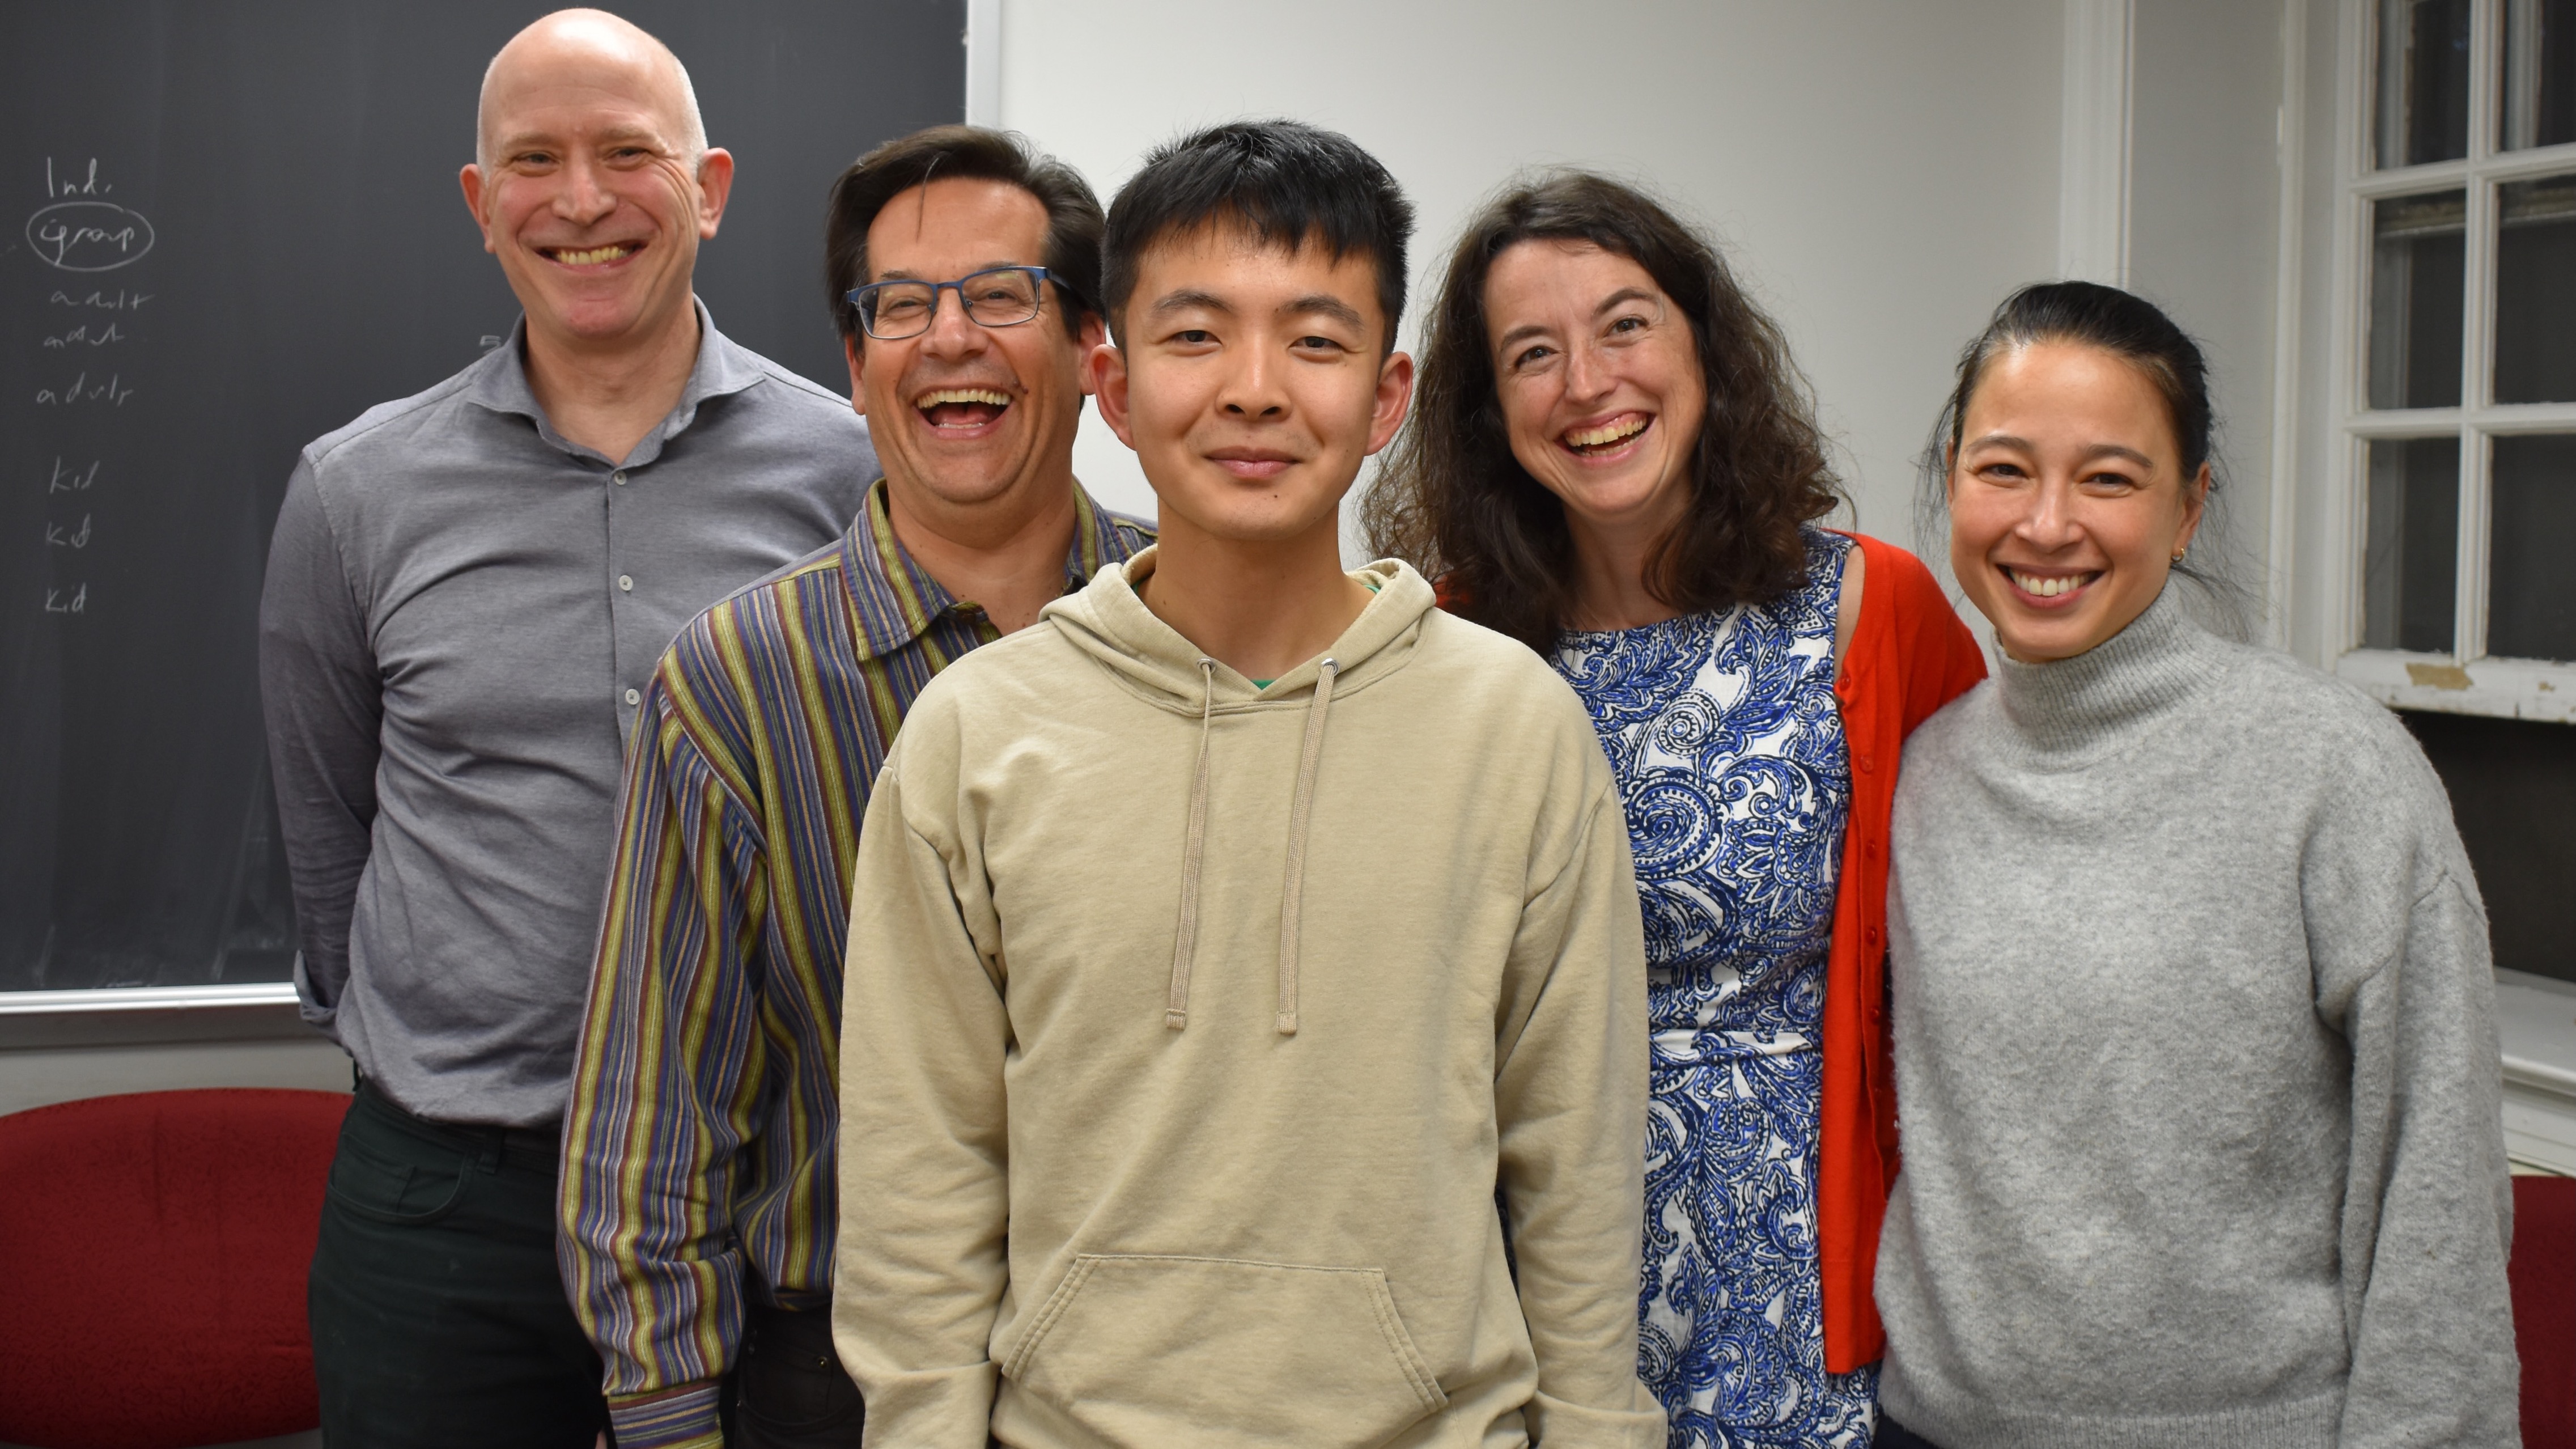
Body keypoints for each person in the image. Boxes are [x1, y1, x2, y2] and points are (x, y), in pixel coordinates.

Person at [830, 120, 1665, 1446]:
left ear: (1386, 398)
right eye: (1196, 333)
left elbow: (1576, 1167)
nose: (1256, 389)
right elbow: (916, 1183)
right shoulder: (974, 737)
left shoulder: (1515, 729)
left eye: (1315, 340)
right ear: (1110, 379)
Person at [256, 10, 876, 1444]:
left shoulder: (853, 470)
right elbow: (324, 833)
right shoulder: (356, 493)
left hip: (765, 1192)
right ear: (483, 208)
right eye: (532, 160)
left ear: (708, 188)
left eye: (625, 153)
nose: (580, 200)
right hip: (447, 1214)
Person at [1363, 171, 1986, 1446]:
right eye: (1533, 354)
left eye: (1625, 324)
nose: (1588, 382)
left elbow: (1975, 967)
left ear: (1704, 345)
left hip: (1813, 1278)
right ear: (1490, 412)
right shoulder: (1444, 648)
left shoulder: (1872, 609)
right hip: (1524, 1266)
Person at [555, 125, 1149, 1449]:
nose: (948, 340)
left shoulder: (1199, 628)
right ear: (856, 360)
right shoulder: (734, 679)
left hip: (1154, 1362)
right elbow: (656, 1118)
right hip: (833, 1372)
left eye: (1002, 296)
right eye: (899, 307)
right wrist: (663, 1420)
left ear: (1090, 349)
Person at [1873, 281, 2520, 1448]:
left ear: (2187, 509)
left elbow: (2436, 1194)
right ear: (1950, 479)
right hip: (1926, 1429)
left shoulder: (2332, 772)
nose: (2045, 524)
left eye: (2108, 478)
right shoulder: (1916, 775)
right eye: (2003, 469)